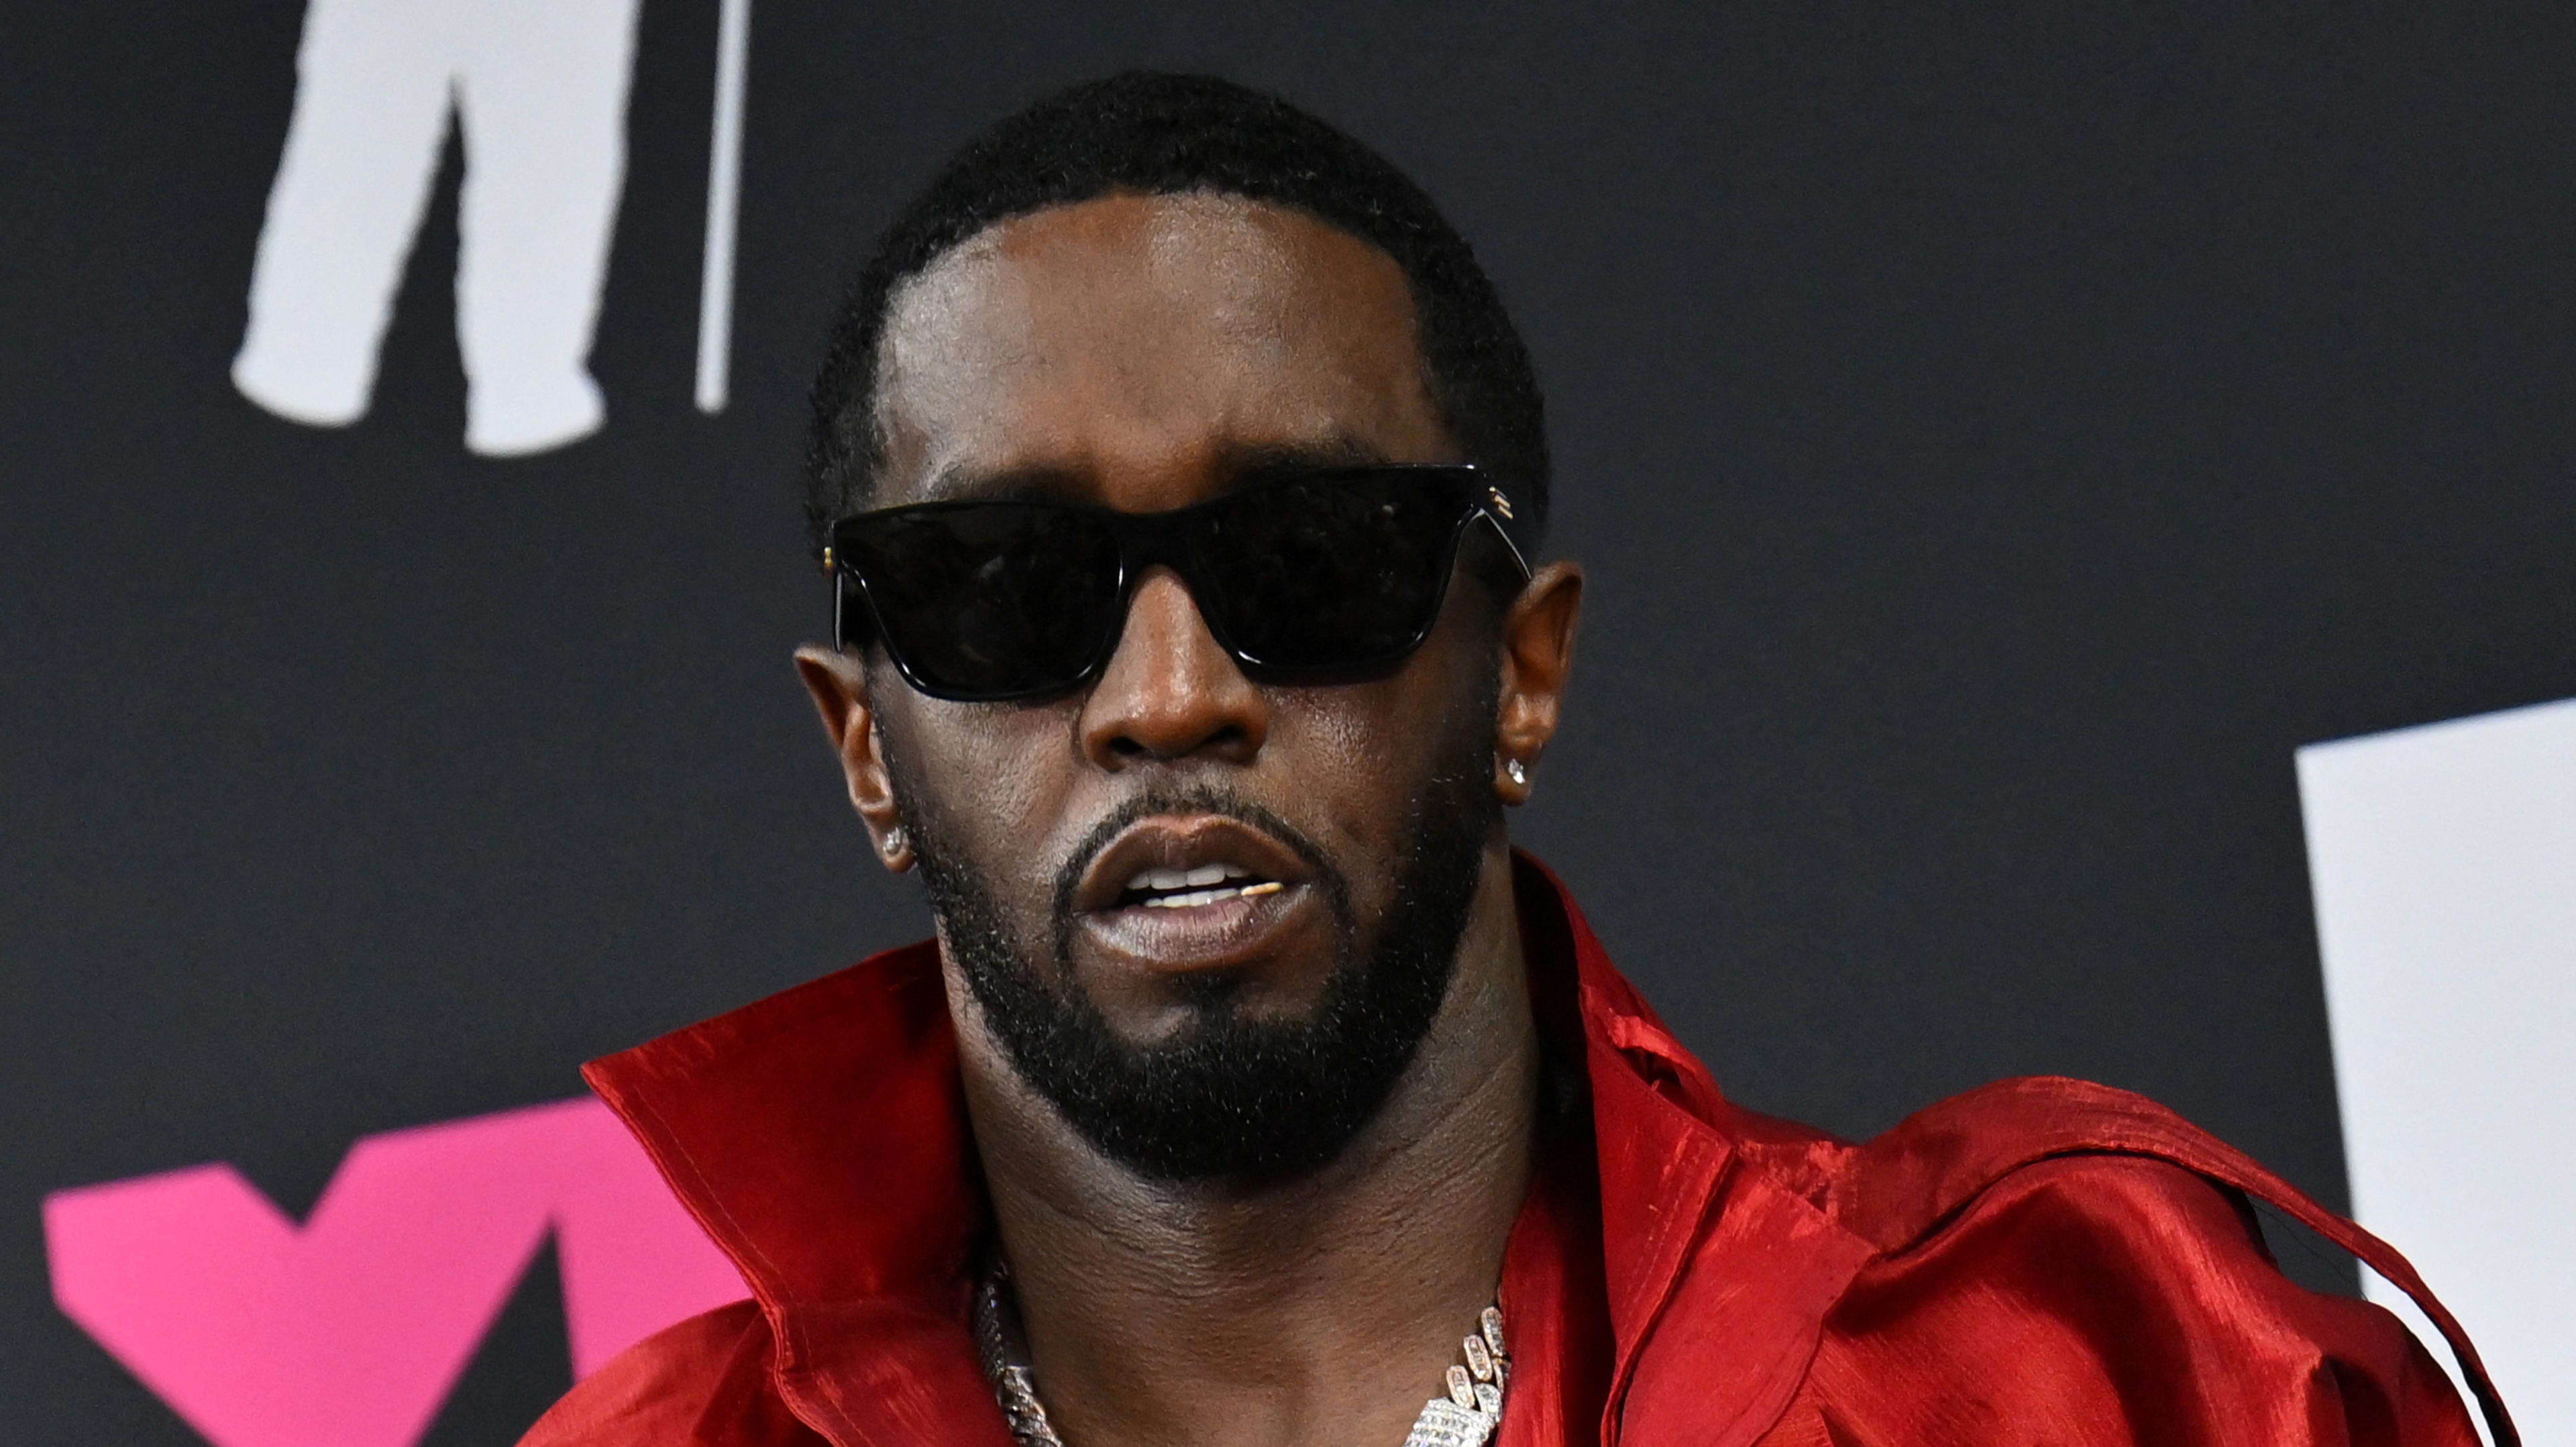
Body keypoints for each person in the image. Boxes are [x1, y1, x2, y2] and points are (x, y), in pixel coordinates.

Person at [519, 72, 2510, 1447]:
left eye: (1312, 559)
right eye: (1008, 591)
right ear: (868, 753)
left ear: (1523, 671)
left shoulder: (2087, 1370)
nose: (1169, 690)